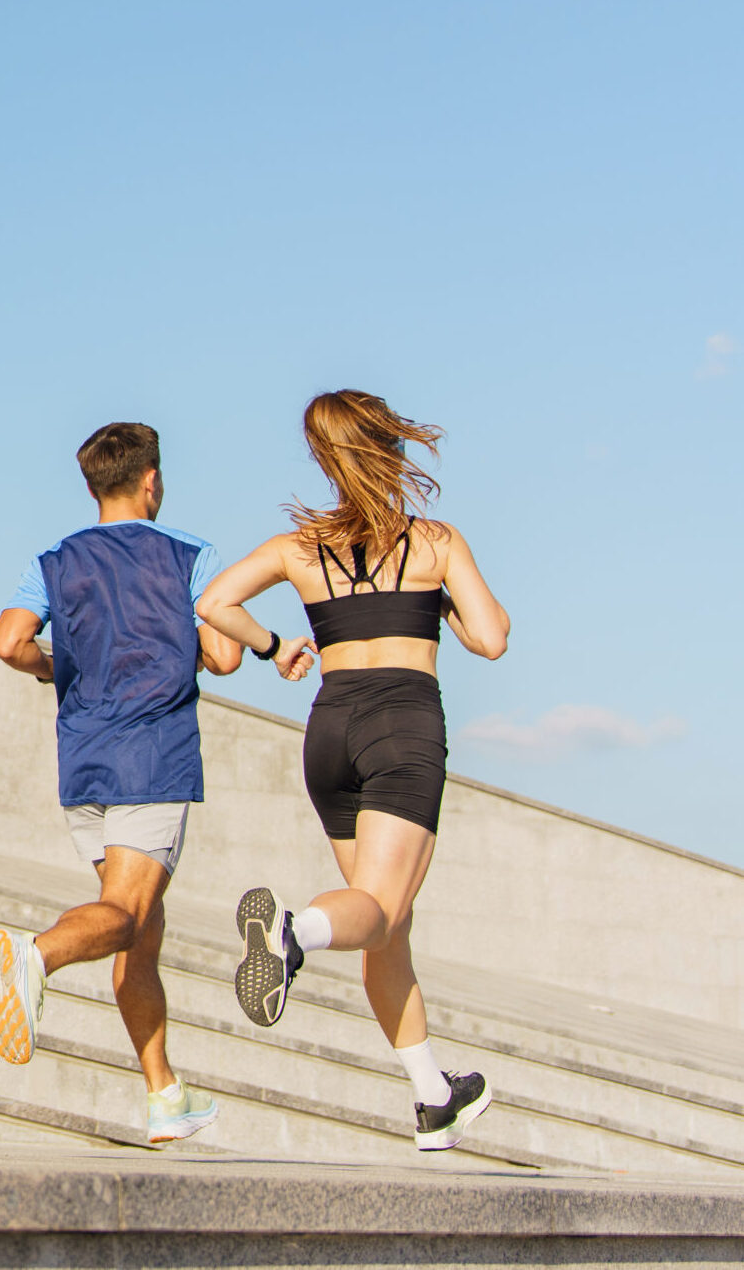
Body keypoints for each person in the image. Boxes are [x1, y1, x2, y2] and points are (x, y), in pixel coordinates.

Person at [195, 389, 510, 1152]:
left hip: (329, 729)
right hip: (401, 722)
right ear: (389, 450)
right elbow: (491, 638)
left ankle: (432, 1094)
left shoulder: (296, 549)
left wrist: (276, 648)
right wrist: (436, 603)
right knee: (373, 904)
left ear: (325, 462)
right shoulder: (434, 541)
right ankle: (292, 930)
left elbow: (213, 601)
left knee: (382, 926)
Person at [0, 421, 250, 1145]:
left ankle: (163, 1092)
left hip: (82, 761)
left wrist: (56, 668)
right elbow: (224, 654)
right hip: (151, 753)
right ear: (151, 480)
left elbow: (9, 640)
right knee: (128, 915)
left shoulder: (54, 559)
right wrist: (181, 645)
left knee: (142, 927)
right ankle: (32, 956)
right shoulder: (189, 554)